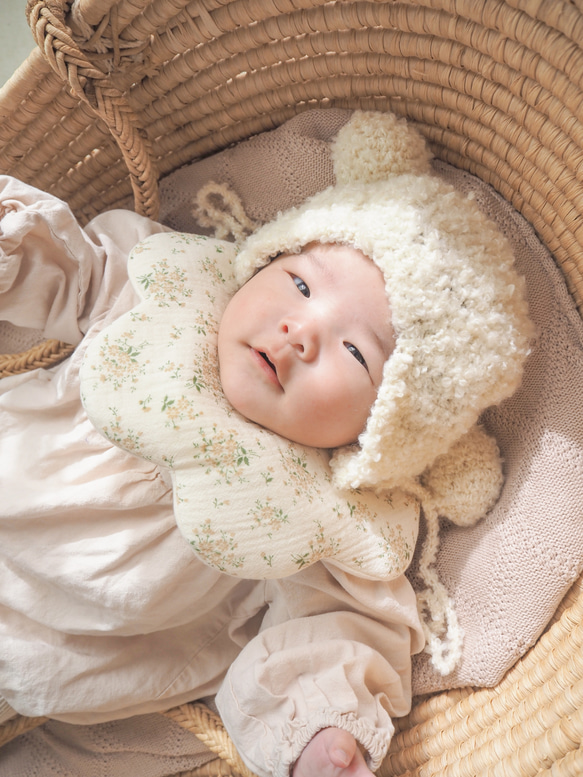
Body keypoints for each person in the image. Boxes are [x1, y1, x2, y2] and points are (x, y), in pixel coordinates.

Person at [0, 111, 533, 777]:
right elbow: (69, 271)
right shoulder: (166, 287)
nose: (299, 329)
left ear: (379, 433)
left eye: (354, 352)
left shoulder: (319, 515)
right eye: (301, 284)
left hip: (43, 652)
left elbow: (339, 630)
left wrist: (320, 731)